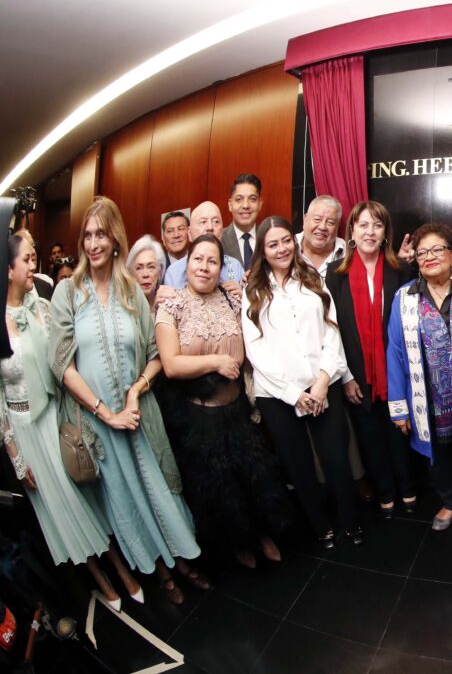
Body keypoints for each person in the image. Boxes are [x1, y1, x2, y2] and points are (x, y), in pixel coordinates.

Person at [49, 197, 207, 606]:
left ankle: (183, 560)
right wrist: (107, 414)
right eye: (88, 235)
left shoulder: (131, 291)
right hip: (99, 424)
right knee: (127, 500)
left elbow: (155, 356)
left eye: (101, 234)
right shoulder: (68, 293)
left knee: (161, 490)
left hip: (140, 416)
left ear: (116, 238)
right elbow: (62, 365)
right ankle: (160, 572)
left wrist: (135, 393)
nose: (93, 244)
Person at [3, 233, 142, 611]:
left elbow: (68, 360)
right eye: (27, 260)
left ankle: (120, 567)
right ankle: (99, 579)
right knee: (61, 510)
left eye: (34, 257)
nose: (34, 266)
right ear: (8, 269)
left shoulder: (43, 307)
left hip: (60, 418)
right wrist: (17, 457)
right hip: (26, 430)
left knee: (86, 496)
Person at [156, 234, 294, 569]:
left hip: (239, 411)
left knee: (255, 478)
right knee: (220, 489)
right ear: (186, 264)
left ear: (221, 268)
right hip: (200, 418)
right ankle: (239, 544)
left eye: (212, 261)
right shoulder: (171, 306)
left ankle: (262, 535)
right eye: (198, 259)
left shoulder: (233, 300)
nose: (204, 267)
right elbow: (171, 365)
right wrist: (215, 362)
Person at [242, 216, 360, 549]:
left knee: (336, 457)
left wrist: (322, 381)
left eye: (285, 241)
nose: (281, 249)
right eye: (272, 244)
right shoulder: (252, 290)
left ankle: (350, 521)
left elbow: (332, 331)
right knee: (299, 465)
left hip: (323, 383)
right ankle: (321, 527)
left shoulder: (312, 279)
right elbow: (256, 350)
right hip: (277, 395)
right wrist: (294, 394)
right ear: (263, 251)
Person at [387, 223, 452, 531]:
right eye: (422, 253)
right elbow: (395, 351)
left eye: (437, 249)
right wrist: (399, 406)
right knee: (438, 450)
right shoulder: (404, 298)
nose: (429, 257)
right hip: (427, 394)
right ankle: (449, 500)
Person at [325, 201, 418, 519]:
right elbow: (332, 331)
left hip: (395, 370)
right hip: (356, 373)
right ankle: (386, 494)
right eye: (363, 225)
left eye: (377, 225)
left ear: (385, 232)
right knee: (369, 437)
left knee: (399, 432)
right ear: (351, 231)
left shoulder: (399, 270)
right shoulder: (334, 275)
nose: (370, 232)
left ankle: (407, 488)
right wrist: (346, 376)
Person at [162, 201, 244, 290]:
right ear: (189, 234)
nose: (210, 227)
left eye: (216, 221)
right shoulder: (173, 272)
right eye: (203, 222)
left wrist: (243, 295)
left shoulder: (235, 266)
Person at [221, 173, 264, 271]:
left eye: (252, 199)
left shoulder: (268, 237)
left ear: (260, 204)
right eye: (239, 199)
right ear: (230, 205)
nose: (245, 205)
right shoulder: (219, 239)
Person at [297, 195, 347, 279]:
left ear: (338, 226)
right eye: (317, 219)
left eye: (330, 222)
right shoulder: (288, 247)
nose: (322, 227)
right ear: (305, 219)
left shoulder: (347, 253)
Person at [126, 235, 166, 307]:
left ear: (160, 272)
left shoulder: (168, 305)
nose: (145, 275)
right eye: (139, 268)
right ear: (131, 273)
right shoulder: (125, 306)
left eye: (151, 267)